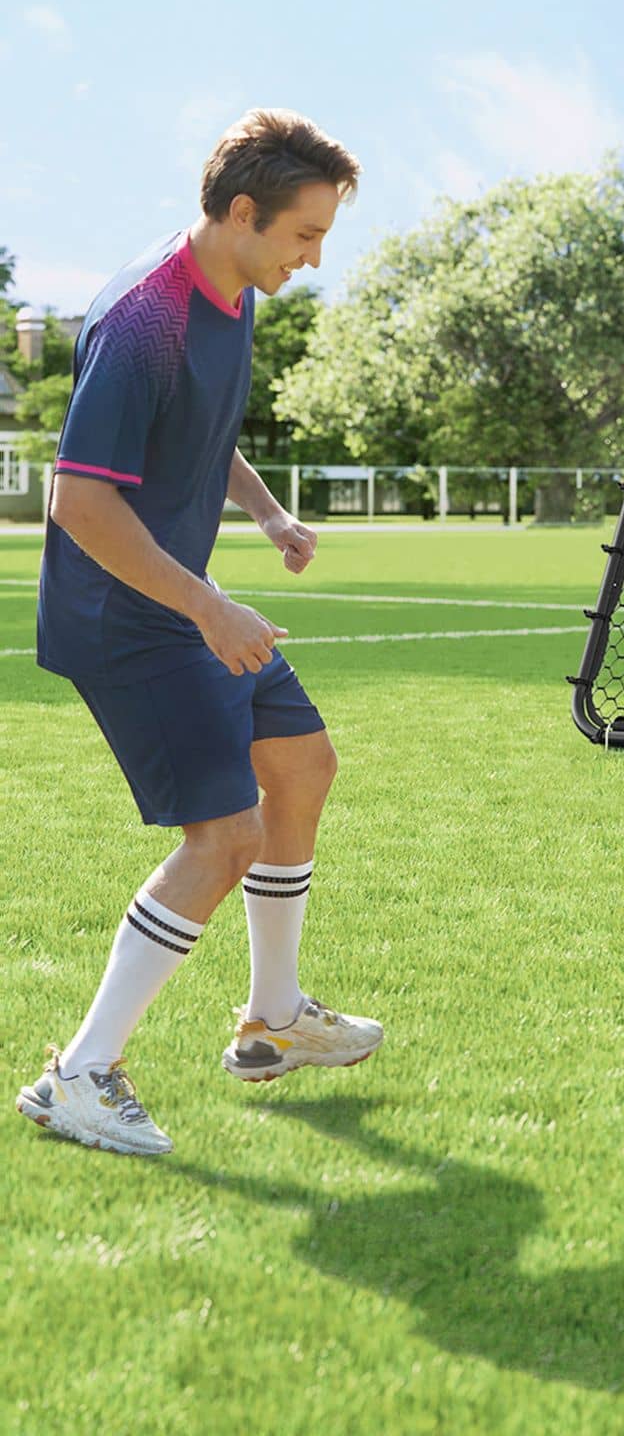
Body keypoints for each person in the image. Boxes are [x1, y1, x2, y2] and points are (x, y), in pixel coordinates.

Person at [16, 110, 382, 1158]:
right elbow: (80, 501)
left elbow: (201, 429)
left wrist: (265, 512)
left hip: (183, 602)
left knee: (301, 766)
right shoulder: (145, 318)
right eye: (305, 235)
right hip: (126, 618)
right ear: (242, 211)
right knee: (223, 838)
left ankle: (273, 1021)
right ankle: (77, 1075)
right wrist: (210, 608)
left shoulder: (234, 289)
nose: (313, 259)